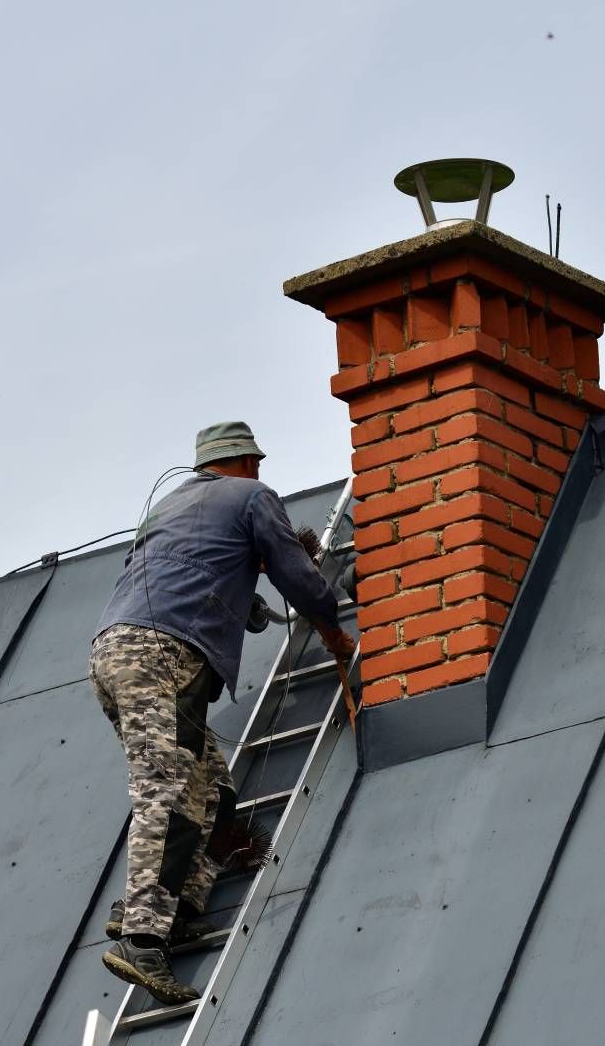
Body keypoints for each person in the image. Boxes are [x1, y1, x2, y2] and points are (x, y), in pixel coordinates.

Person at [90, 420, 356, 1004]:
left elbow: (180, 576)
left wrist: (244, 603)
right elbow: (294, 570)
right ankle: (141, 935)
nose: (262, 473)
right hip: (162, 654)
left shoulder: (172, 506)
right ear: (238, 462)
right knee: (167, 787)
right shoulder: (252, 497)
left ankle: (178, 905)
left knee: (210, 789)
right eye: (255, 462)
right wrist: (330, 622)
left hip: (118, 652)